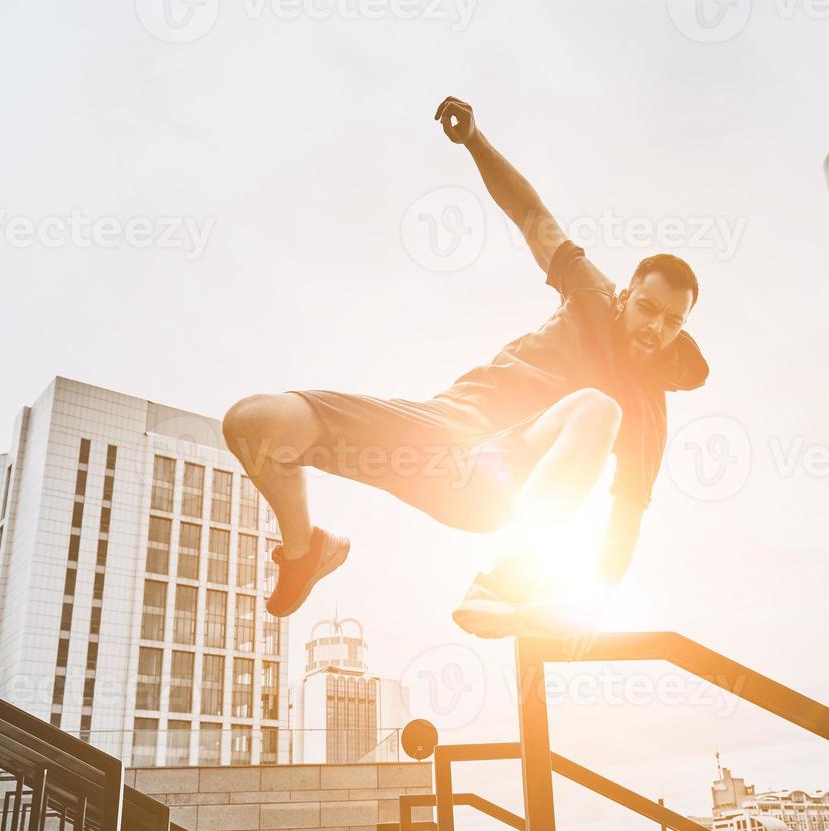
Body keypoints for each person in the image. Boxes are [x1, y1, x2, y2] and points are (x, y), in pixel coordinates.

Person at [222, 96, 708, 641]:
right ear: (624, 297)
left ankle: (509, 578)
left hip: (493, 481)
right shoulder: (590, 290)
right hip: (433, 430)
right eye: (648, 309)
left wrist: (595, 603)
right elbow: (531, 216)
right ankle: (305, 550)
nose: (655, 329)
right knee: (252, 424)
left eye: (672, 322)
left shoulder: (646, 409)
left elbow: (628, 513)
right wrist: (476, 141)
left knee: (598, 408)